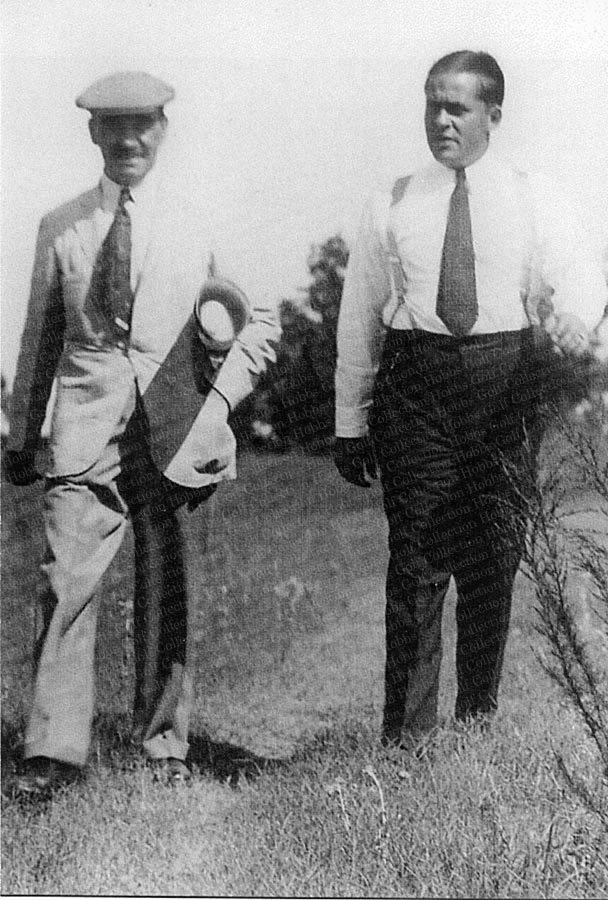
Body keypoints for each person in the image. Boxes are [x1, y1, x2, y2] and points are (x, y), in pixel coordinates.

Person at [4, 71, 279, 795]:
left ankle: (164, 747)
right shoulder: (60, 226)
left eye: (142, 125)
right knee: (65, 581)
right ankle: (51, 754)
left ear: (163, 129)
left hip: (177, 428)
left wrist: (219, 403)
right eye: (113, 125)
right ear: (92, 132)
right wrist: (22, 437)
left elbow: (261, 322)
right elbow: (39, 339)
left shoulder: (199, 220)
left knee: (168, 585)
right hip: (82, 429)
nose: (128, 139)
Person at [334, 51, 607, 749]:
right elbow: (359, 316)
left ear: (494, 115)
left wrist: (576, 316)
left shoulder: (532, 195)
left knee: (494, 553)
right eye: (432, 105)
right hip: (416, 387)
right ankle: (407, 740)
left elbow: (579, 275)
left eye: (457, 107)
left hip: (505, 387)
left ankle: (477, 719)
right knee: (416, 559)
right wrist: (349, 422)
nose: (441, 120)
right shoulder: (392, 200)